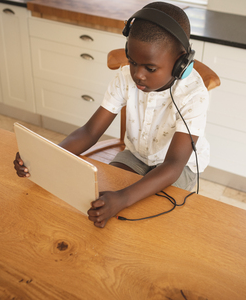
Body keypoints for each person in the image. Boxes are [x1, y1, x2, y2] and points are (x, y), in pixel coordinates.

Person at [14, 1, 210, 228]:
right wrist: (44, 159)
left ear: (180, 62)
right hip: (136, 155)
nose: (138, 75)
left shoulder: (194, 95)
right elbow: (89, 132)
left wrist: (124, 198)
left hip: (178, 169)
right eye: (133, 62)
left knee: (151, 221)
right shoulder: (125, 77)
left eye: (150, 68)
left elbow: (173, 165)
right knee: (101, 201)